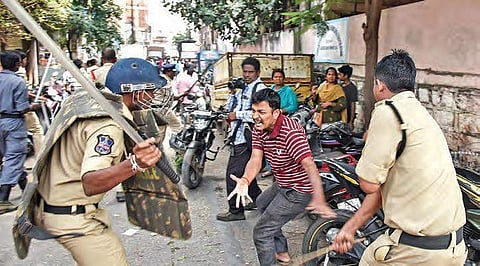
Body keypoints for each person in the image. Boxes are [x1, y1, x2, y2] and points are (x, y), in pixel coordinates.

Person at [332, 50, 466, 265]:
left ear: (380, 84)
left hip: (417, 251)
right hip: (454, 248)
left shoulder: (388, 111)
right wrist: (350, 228)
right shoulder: (421, 113)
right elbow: (381, 192)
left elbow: (369, 185)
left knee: (369, 259)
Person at [33, 58, 164, 264]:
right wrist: (135, 164)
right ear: (135, 91)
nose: (154, 95)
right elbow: (91, 182)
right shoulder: (107, 125)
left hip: (54, 205)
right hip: (71, 217)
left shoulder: (91, 103)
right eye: (151, 89)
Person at [228, 89, 336, 265]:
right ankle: (282, 252)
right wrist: (245, 180)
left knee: (261, 232)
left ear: (276, 112)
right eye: (253, 111)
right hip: (283, 183)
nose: (256, 116)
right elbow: (256, 158)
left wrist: (319, 199)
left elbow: (310, 166)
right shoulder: (259, 128)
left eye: (261, 112)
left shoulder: (290, 133)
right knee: (262, 202)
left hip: (299, 189)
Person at [216, 57, 266, 222]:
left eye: (250, 72)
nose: (247, 75)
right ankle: (258, 201)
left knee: (233, 174)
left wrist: (237, 115)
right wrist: (232, 92)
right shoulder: (244, 88)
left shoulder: (259, 89)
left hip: (248, 138)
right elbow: (231, 108)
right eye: (245, 71)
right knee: (245, 172)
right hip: (238, 136)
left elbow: (260, 114)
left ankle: (235, 211)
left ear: (258, 72)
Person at [0, 51, 34, 213]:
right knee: (14, 157)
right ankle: (3, 198)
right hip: (13, 122)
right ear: (17, 65)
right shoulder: (17, 82)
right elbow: (22, 108)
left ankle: (27, 190)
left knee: (11, 156)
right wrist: (34, 106)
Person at [338, 65, 358, 130]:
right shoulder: (339, 86)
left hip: (347, 117)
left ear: (346, 76)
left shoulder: (352, 88)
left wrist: (351, 121)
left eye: (340, 74)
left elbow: (353, 105)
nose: (338, 76)